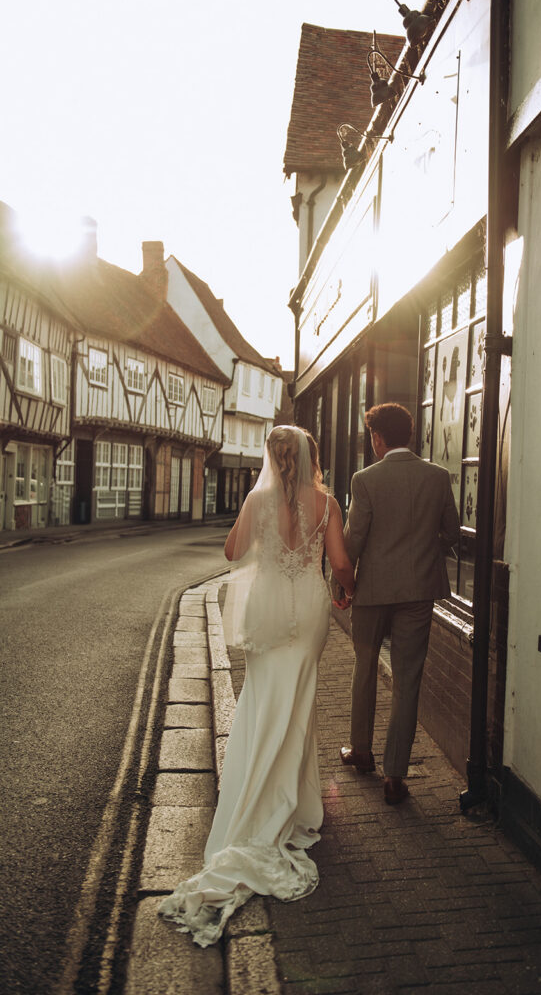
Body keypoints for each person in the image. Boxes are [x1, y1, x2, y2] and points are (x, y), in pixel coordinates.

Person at [159, 425, 355, 947]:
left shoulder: (257, 499)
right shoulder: (328, 503)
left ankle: (260, 799)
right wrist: (347, 591)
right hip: (310, 609)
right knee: (300, 705)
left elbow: (230, 552)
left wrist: (256, 531)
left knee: (263, 701)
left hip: (268, 607)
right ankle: (294, 804)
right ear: (311, 454)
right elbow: (339, 563)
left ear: (272, 457)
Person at [335, 403, 460, 806]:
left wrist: (344, 584)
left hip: (372, 591)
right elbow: (452, 532)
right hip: (419, 591)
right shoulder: (438, 477)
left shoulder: (365, 479)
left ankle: (361, 750)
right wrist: (424, 552)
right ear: (409, 434)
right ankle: (395, 774)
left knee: (365, 666)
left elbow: (353, 539)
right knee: (408, 679)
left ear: (377, 438)